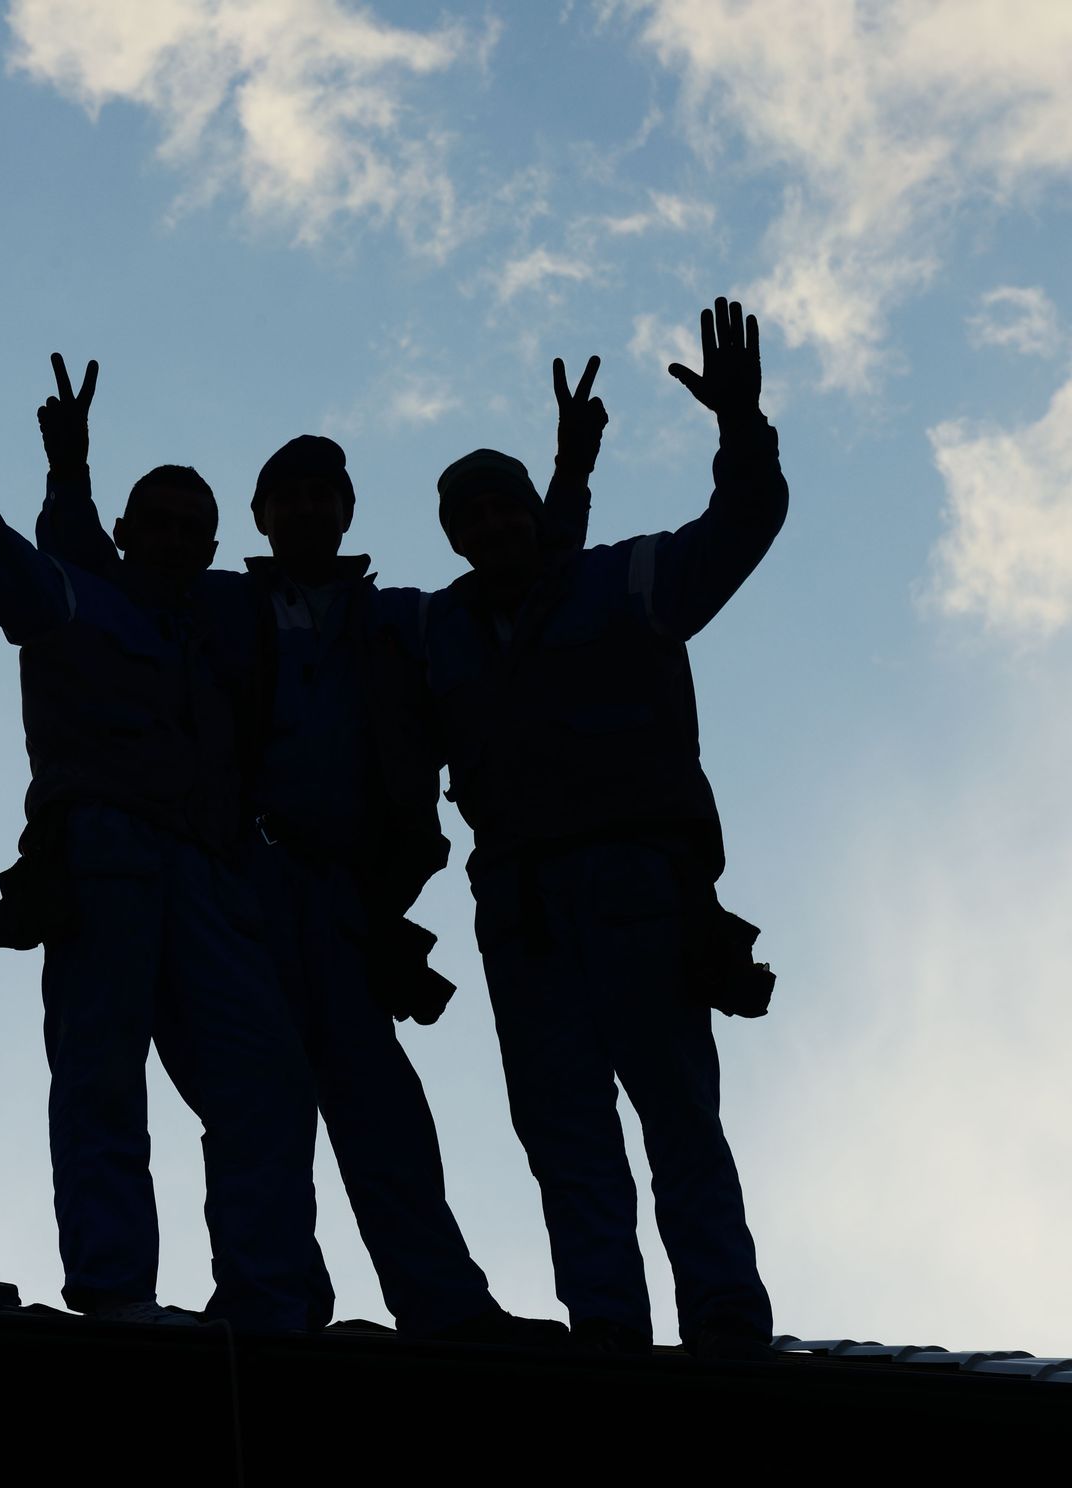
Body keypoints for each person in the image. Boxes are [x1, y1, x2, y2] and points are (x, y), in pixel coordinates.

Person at [34, 351, 602, 1343]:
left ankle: (444, 1307)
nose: (303, 512)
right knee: (260, 1102)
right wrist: (71, 473)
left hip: (344, 901)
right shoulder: (218, 604)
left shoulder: (400, 621)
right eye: (285, 497)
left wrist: (569, 481)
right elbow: (95, 583)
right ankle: (273, 1302)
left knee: (377, 1105)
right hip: (240, 888)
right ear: (259, 519)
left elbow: (526, 583)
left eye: (321, 496)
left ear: (346, 512)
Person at [0, 257, 329, 1332]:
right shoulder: (76, 604)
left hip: (216, 881)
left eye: (197, 526)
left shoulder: (227, 625)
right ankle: (118, 1292)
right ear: (129, 532)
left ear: (217, 546)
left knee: (266, 1083)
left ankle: (269, 1298)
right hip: (109, 862)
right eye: (160, 522)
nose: (178, 539)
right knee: (101, 1080)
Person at [423, 298, 785, 1358]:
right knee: (565, 1138)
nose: (490, 528)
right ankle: (610, 1330)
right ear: (453, 537)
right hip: (522, 913)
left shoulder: (624, 580)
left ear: (532, 514)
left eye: (504, 510)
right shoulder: (438, 629)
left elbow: (743, 527)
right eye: (469, 519)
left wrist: (740, 426)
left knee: (678, 1121)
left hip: (637, 889)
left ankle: (722, 1318)